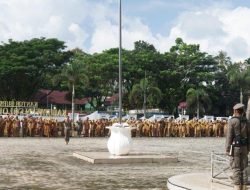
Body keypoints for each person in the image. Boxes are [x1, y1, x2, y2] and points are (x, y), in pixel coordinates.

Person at [226, 103, 250, 190]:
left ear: (235, 111)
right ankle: (244, 187)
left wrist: (227, 149)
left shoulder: (232, 121)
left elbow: (229, 136)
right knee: (244, 167)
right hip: (244, 147)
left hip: (235, 147)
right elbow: (249, 136)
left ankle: (237, 187)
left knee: (236, 168)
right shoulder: (246, 121)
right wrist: (248, 148)